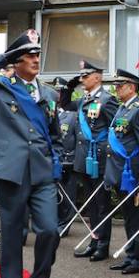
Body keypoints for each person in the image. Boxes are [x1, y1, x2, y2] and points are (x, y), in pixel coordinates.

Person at [0, 29, 63, 278]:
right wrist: (4, 57)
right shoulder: (0, 88)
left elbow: (54, 134)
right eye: (29, 55)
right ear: (17, 61)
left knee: (49, 231)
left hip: (42, 173)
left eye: (37, 54)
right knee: (11, 235)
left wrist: (55, 162)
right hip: (11, 170)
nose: (35, 59)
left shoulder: (51, 94)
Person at [59, 61, 119, 261]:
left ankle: (103, 245)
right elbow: (66, 104)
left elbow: (115, 128)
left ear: (98, 77)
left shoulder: (107, 99)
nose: (83, 79)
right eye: (81, 76)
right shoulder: (84, 99)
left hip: (99, 158)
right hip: (84, 158)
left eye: (86, 76)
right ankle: (94, 241)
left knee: (101, 204)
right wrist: (70, 85)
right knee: (91, 203)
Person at [105, 69, 139, 275]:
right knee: (128, 217)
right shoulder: (122, 109)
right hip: (121, 172)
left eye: (120, 85)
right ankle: (131, 255)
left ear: (131, 87)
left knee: (138, 217)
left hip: (133, 173)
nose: (116, 89)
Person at [51, 77, 79, 238]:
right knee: (53, 194)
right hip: (53, 160)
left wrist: (72, 159)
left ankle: (65, 224)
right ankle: (54, 222)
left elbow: (76, 138)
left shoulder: (72, 115)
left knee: (67, 195)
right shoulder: (50, 112)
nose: (57, 94)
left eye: (59, 91)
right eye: (55, 91)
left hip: (68, 161)